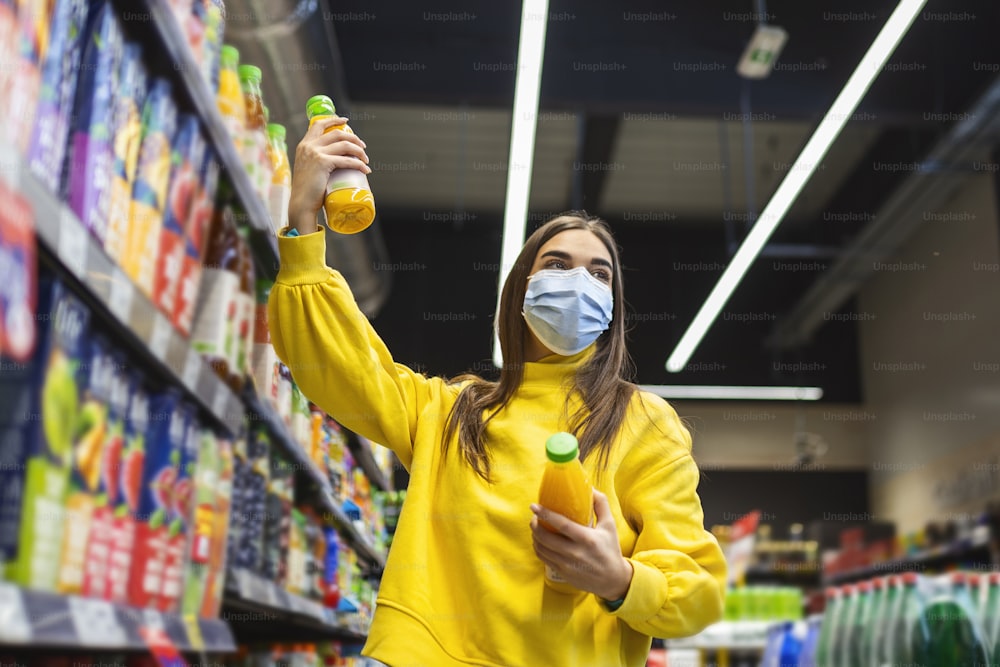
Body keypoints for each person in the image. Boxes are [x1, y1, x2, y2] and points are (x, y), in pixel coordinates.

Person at [268, 114, 727, 667]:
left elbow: (698, 591)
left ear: (615, 309)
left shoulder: (642, 421)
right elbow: (334, 365)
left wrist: (620, 579)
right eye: (557, 264)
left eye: (599, 274)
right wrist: (302, 220)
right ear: (521, 292)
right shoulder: (449, 411)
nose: (578, 282)